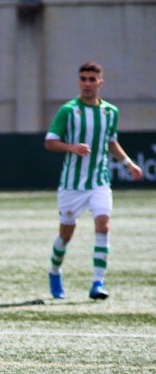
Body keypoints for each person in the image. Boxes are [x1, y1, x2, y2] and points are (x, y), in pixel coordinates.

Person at [45, 61, 143, 300]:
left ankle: (98, 283)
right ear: (79, 82)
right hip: (71, 185)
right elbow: (49, 142)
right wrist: (71, 147)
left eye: (92, 79)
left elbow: (111, 142)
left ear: (100, 82)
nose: (87, 83)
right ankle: (54, 271)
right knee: (66, 234)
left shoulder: (110, 112)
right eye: (83, 79)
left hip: (99, 181)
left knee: (103, 225)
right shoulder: (68, 110)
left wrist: (128, 163)